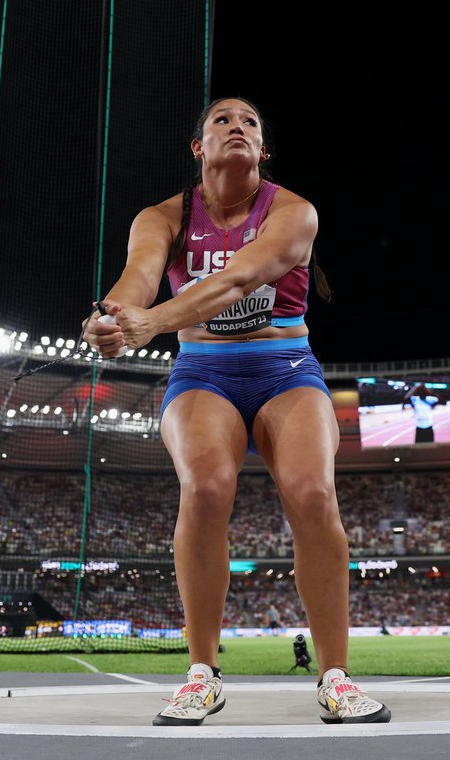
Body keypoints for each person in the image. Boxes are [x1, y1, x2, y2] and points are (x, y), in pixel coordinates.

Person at [83, 97, 390, 726]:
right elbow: (138, 276)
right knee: (205, 486)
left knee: (311, 492)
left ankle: (335, 677)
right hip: (203, 372)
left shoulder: (293, 211)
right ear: (199, 148)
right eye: (222, 120)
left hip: (286, 370)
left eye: (249, 122)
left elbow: (238, 279)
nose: (237, 127)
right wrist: (111, 317)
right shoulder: (163, 217)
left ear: (263, 150)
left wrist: (151, 323)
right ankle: (202, 674)